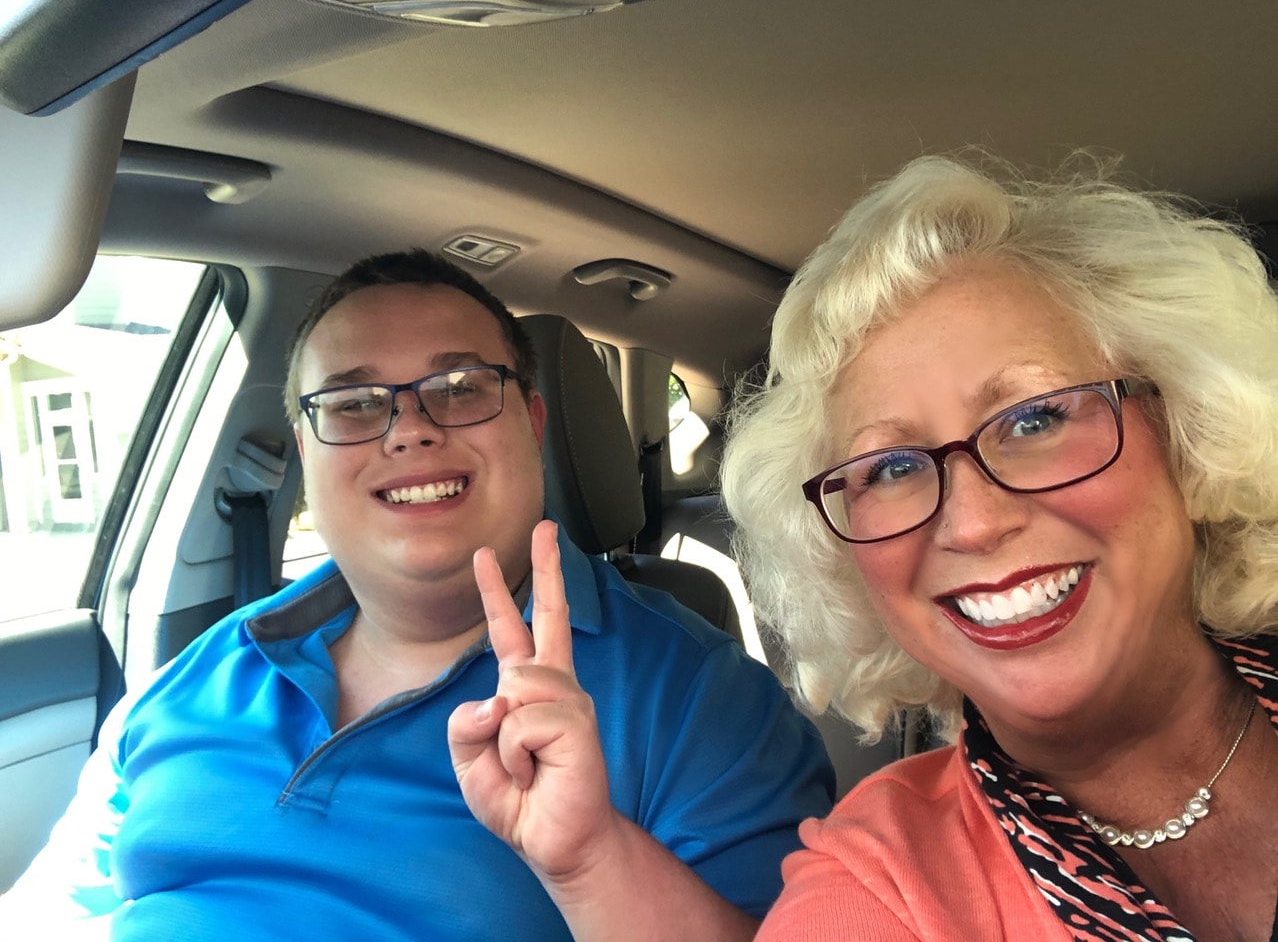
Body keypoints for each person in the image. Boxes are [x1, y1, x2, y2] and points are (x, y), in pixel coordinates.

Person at [1, 249, 834, 940]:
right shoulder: (204, 669)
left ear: (533, 426)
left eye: (462, 386)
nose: (408, 428)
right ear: (305, 450)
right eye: (353, 404)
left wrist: (593, 859)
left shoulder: (699, 698)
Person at [720, 154, 1278, 941]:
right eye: (891, 468)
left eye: (1036, 419)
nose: (974, 523)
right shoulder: (879, 887)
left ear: (1186, 429)